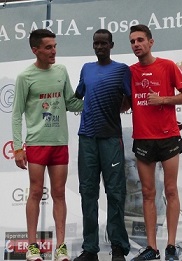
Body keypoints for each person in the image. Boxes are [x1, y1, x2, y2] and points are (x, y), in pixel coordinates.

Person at [12, 29, 83, 261]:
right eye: (49, 47)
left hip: (59, 142)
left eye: (55, 46)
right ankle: (33, 247)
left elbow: (71, 102)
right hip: (36, 144)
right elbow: (16, 114)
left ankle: (60, 247)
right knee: (34, 192)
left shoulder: (61, 71)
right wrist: (18, 147)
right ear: (36, 50)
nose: (54, 51)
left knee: (59, 193)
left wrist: (99, 99)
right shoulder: (25, 77)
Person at [129, 24, 182, 261]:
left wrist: (163, 99)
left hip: (168, 138)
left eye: (140, 40)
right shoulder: (130, 71)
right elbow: (126, 104)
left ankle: (171, 246)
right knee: (148, 193)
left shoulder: (167, 66)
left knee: (171, 190)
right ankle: (151, 248)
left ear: (151, 42)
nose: (136, 44)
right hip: (144, 139)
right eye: (132, 41)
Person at [73, 29, 131, 261]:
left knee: (115, 193)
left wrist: (114, 111)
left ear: (112, 45)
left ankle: (118, 247)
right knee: (88, 193)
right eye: (96, 43)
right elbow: (77, 96)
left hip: (111, 139)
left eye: (104, 43)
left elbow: (130, 100)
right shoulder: (86, 69)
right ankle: (90, 249)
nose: (99, 47)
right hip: (87, 138)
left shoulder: (121, 70)